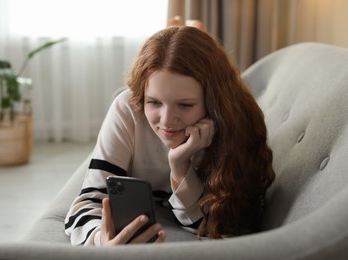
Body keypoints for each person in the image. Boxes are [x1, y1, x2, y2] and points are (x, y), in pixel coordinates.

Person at [64, 25, 275, 246]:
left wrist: (179, 165)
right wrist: (102, 239)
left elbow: (221, 230)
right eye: (153, 102)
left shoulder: (234, 125)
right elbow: (87, 203)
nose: (166, 120)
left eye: (185, 105)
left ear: (214, 103)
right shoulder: (128, 110)